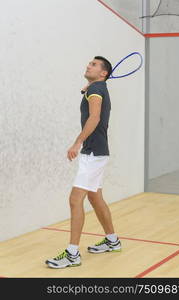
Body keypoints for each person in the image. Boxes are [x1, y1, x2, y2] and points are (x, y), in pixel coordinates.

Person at [45, 56, 121, 269]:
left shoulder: (96, 89)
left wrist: (77, 142)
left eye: (94, 64)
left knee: (75, 199)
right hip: (98, 151)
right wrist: (88, 89)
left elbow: (94, 118)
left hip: (93, 153)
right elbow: (94, 108)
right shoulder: (97, 88)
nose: (89, 65)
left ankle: (72, 254)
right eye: (90, 63)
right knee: (95, 198)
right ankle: (112, 240)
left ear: (104, 73)